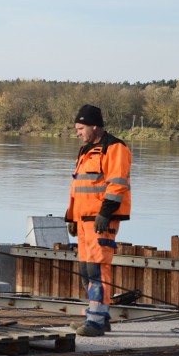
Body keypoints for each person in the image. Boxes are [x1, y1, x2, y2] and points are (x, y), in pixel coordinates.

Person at [65, 104, 132, 337]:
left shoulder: (115, 148)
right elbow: (78, 188)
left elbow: (117, 184)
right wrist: (71, 217)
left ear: (95, 125)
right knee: (86, 269)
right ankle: (99, 317)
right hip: (83, 221)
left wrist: (105, 213)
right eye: (76, 128)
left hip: (101, 220)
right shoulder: (85, 151)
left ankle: (95, 322)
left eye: (81, 127)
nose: (78, 132)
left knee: (97, 269)